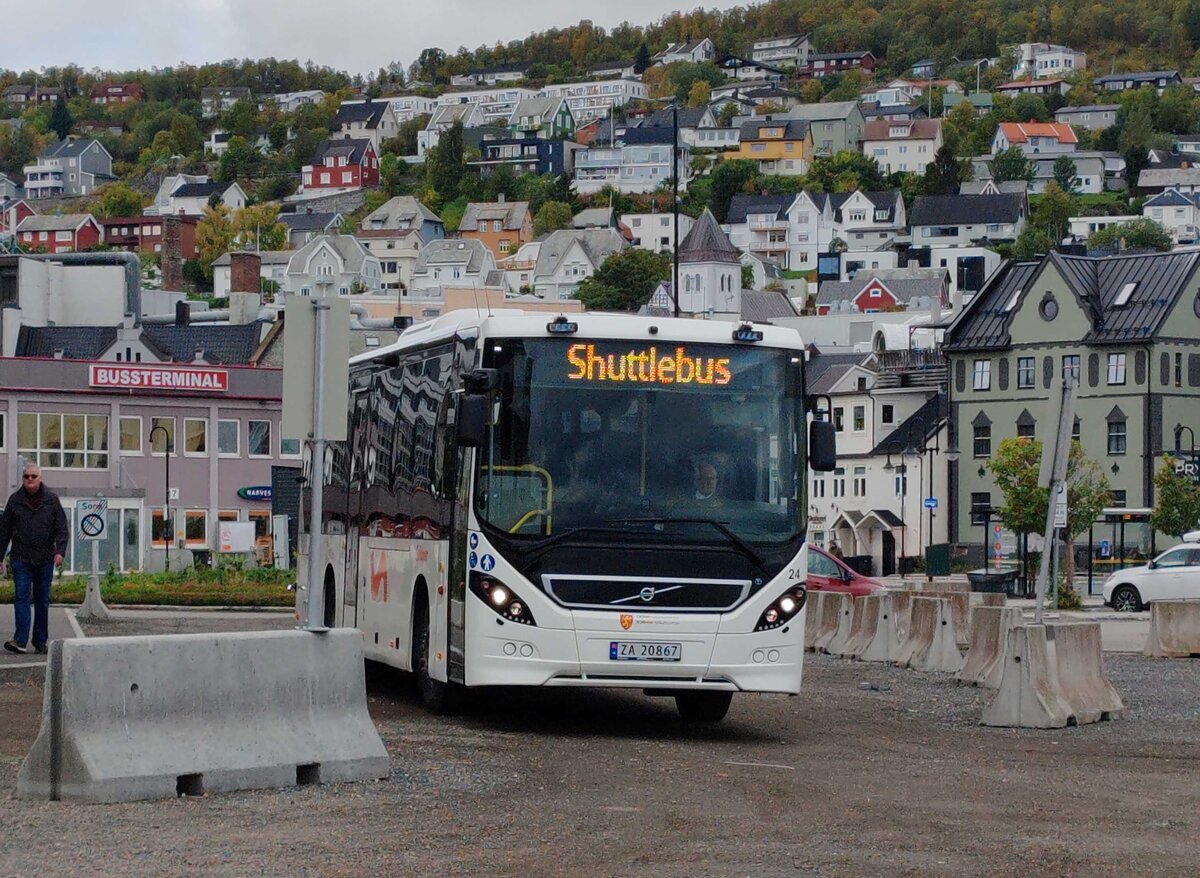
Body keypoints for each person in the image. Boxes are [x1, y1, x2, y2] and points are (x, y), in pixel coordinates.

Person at [1, 463, 68, 655]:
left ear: (40, 478)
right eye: (26, 476)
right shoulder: (15, 501)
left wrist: (60, 551)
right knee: (21, 597)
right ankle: (20, 640)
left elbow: (62, 528)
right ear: (23, 479)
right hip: (21, 558)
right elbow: (4, 531)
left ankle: (40, 641)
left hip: (45, 559)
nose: (29, 479)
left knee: (42, 600)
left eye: (33, 476)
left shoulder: (51, 500)